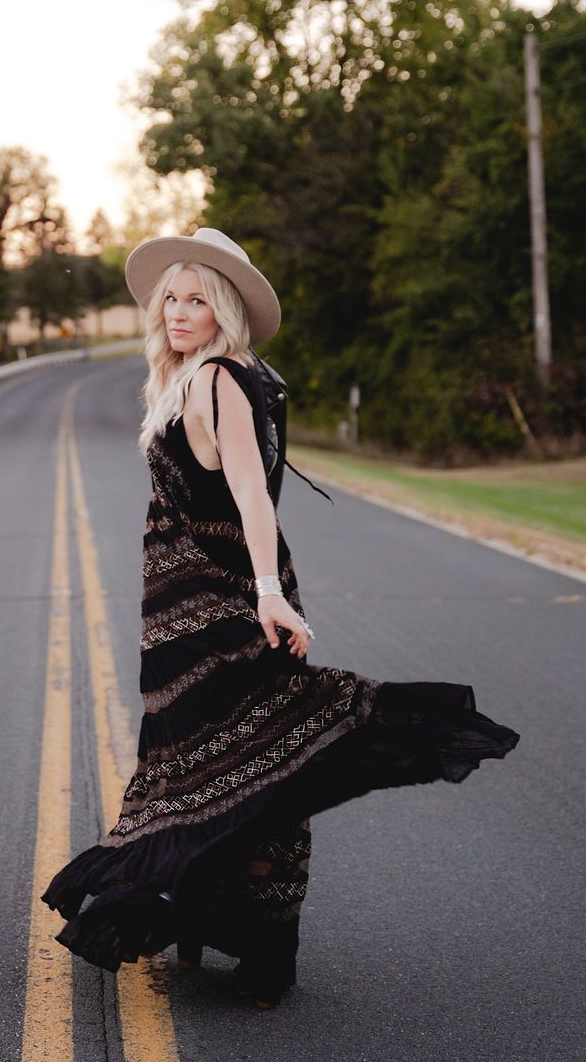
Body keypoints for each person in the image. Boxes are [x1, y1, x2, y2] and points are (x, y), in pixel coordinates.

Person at [42, 228, 518, 1007]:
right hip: (190, 609)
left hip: (216, 604)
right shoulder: (227, 376)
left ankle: (250, 941)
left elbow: (250, 494)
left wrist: (266, 590)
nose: (178, 312)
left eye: (197, 300)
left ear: (225, 310)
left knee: (231, 761)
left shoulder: (217, 378)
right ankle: (237, 937)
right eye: (171, 299)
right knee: (246, 761)